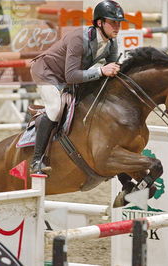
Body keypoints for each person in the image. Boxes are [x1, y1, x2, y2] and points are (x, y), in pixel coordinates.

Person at [29, 0, 126, 174]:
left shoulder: (111, 42)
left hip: (68, 76)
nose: (117, 27)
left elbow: (110, 72)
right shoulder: (78, 38)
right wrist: (102, 70)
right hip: (47, 72)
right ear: (99, 23)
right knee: (56, 108)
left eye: (119, 23)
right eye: (113, 22)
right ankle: (37, 160)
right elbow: (71, 75)